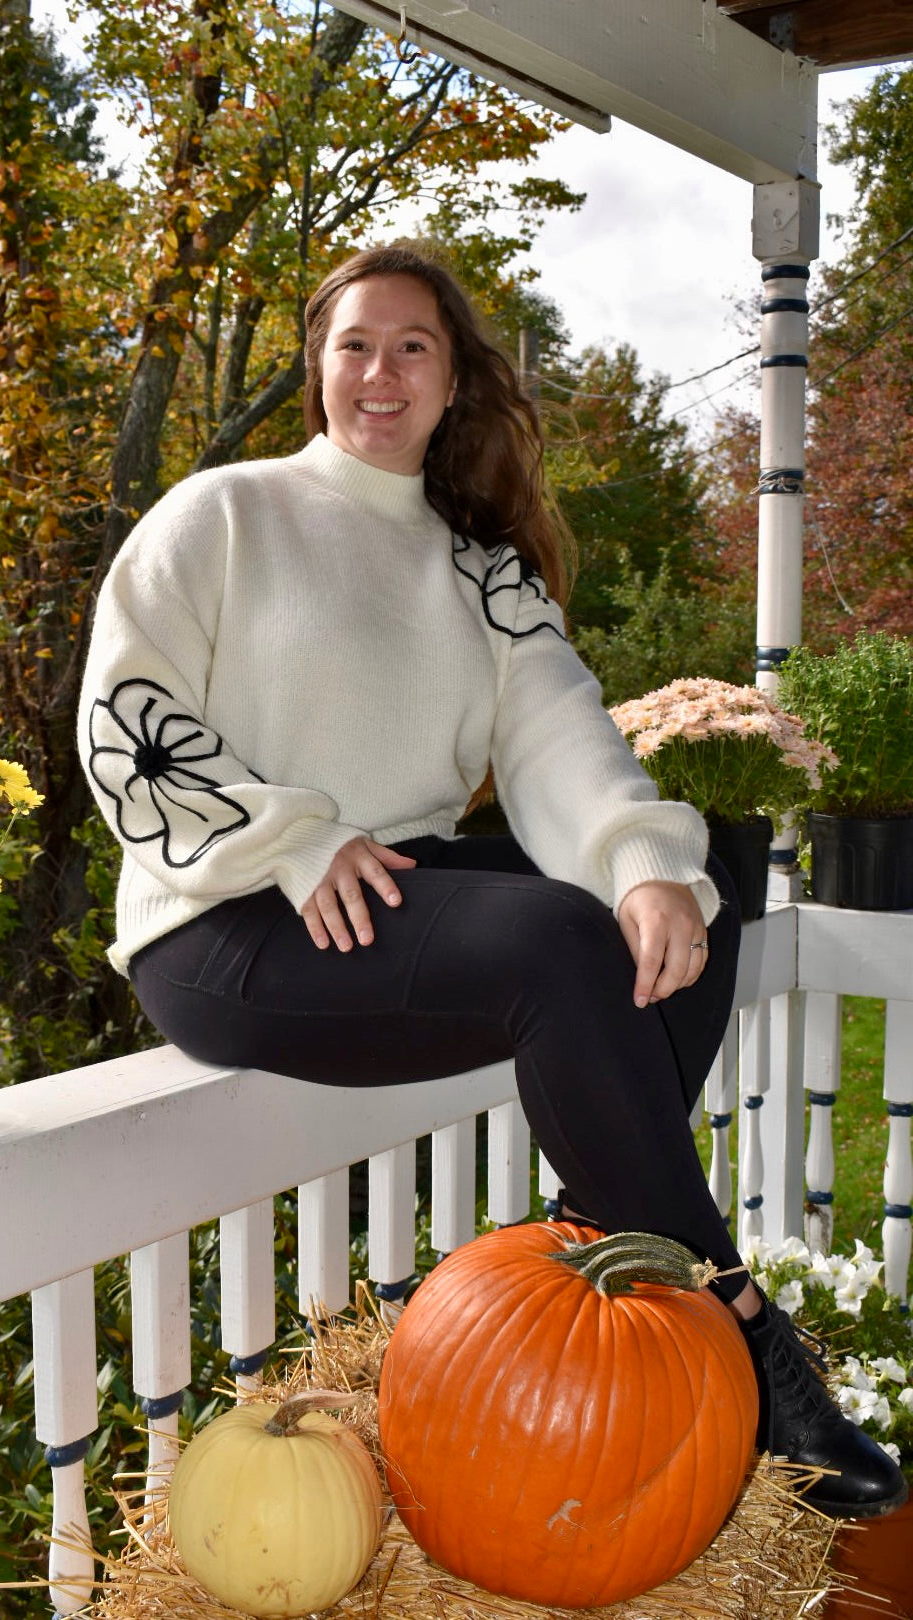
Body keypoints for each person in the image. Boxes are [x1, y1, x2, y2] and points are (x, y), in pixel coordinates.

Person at [77, 241, 905, 1521]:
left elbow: (562, 741)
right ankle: (739, 1327)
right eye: (355, 343)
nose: (382, 370)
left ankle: (592, 1233)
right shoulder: (225, 513)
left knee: (694, 882)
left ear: (456, 380)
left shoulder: (482, 573)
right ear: (318, 370)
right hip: (230, 915)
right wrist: (293, 838)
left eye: (415, 345)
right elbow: (123, 722)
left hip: (391, 894)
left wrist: (639, 865)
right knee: (556, 952)